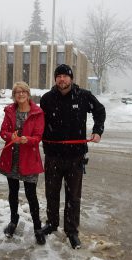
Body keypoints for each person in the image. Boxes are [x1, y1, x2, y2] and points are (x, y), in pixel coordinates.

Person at [40, 64, 106, 249]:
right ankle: (52, 223)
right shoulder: (47, 99)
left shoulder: (83, 96)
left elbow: (100, 111)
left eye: (65, 76)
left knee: (73, 196)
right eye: (58, 76)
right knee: (51, 193)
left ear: (71, 78)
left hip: (75, 157)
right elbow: (38, 122)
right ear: (55, 79)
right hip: (52, 155)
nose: (62, 79)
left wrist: (97, 131)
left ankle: (72, 231)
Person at [0, 81, 46, 245]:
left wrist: (28, 139)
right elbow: (3, 131)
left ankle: (38, 227)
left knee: (31, 195)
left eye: (23, 91)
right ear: (14, 95)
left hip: (29, 159)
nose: (20, 94)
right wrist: (10, 136)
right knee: (13, 192)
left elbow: (39, 136)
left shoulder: (37, 113)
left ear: (28, 93)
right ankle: (13, 221)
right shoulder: (10, 110)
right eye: (17, 92)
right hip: (11, 158)